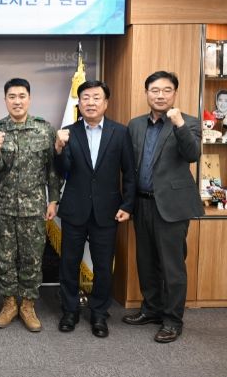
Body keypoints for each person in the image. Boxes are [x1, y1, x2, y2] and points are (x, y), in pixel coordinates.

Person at [122, 71, 204, 343]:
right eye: (155, 90)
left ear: (175, 94)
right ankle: (152, 309)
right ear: (146, 93)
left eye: (166, 90)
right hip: (142, 203)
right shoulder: (135, 125)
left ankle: (172, 320)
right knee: (146, 262)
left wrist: (179, 125)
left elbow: (192, 154)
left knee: (172, 267)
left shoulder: (188, 122)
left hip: (171, 206)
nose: (160, 95)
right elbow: (130, 166)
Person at [54, 80, 136, 338]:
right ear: (79, 103)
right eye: (85, 98)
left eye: (96, 97)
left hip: (108, 210)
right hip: (74, 208)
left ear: (106, 102)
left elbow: (129, 173)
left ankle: (99, 313)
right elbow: (62, 170)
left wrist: (127, 205)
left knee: (103, 265)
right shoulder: (68, 132)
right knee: (69, 263)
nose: (90, 102)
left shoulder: (120, 132)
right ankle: (69, 311)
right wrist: (59, 148)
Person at [0, 78, 60, 332]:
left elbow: (53, 169)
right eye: (12, 97)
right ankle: (9, 304)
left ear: (29, 99)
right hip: (4, 207)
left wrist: (53, 199)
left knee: (32, 258)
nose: (17, 101)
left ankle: (28, 305)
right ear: (5, 100)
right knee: (4, 258)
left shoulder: (45, 129)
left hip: (34, 207)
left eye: (21, 96)